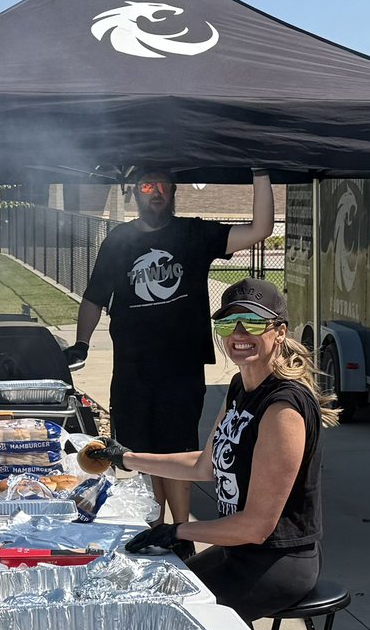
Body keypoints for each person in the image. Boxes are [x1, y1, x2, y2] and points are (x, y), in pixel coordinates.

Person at [85, 278, 340, 623]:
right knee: (147, 588)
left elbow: (256, 526)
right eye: (227, 323)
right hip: (237, 552)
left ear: (279, 332)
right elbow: (205, 465)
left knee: (163, 614)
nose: (238, 333)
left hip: (277, 563)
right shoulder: (241, 387)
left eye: (252, 323)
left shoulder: (283, 407)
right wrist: (125, 457)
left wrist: (177, 530)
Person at [67, 167, 275, 534]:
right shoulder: (119, 240)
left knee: (176, 452)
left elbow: (260, 230)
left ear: (174, 191)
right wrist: (82, 344)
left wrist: (259, 172)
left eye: (163, 185)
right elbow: (94, 297)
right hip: (132, 371)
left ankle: (179, 535)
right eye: (148, 185)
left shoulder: (193, 233)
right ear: (135, 192)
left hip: (181, 368)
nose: (156, 192)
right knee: (137, 456)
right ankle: (151, 532)